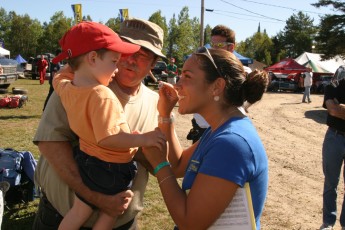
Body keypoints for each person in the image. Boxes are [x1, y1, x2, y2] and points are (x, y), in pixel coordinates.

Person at [32, 18, 166, 230]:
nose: (129, 59)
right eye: (126, 50)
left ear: (153, 64)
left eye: (142, 55)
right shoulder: (80, 84)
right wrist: (97, 198)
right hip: (58, 216)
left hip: (122, 223)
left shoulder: (158, 103)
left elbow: (164, 165)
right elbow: (50, 143)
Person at [144, 47, 269, 229]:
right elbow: (178, 166)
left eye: (187, 76)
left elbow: (190, 223)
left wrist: (159, 164)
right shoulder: (220, 130)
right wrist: (165, 114)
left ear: (217, 86)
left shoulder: (231, 142)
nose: (178, 85)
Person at [319, 66, 345, 230]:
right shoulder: (333, 86)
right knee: (331, 183)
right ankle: (328, 222)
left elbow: (337, 109)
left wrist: (341, 107)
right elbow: (333, 111)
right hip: (334, 137)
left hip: (335, 136)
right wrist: (337, 108)